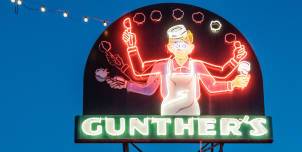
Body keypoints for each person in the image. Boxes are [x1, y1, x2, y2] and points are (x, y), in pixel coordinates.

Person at [107, 23, 250, 115]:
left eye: (183, 43)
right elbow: (145, 83)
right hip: (168, 109)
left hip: (192, 110)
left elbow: (215, 81)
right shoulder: (162, 65)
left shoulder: (197, 65)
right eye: (175, 44)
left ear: (191, 47)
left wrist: (233, 79)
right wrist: (131, 48)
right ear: (169, 47)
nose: (179, 47)